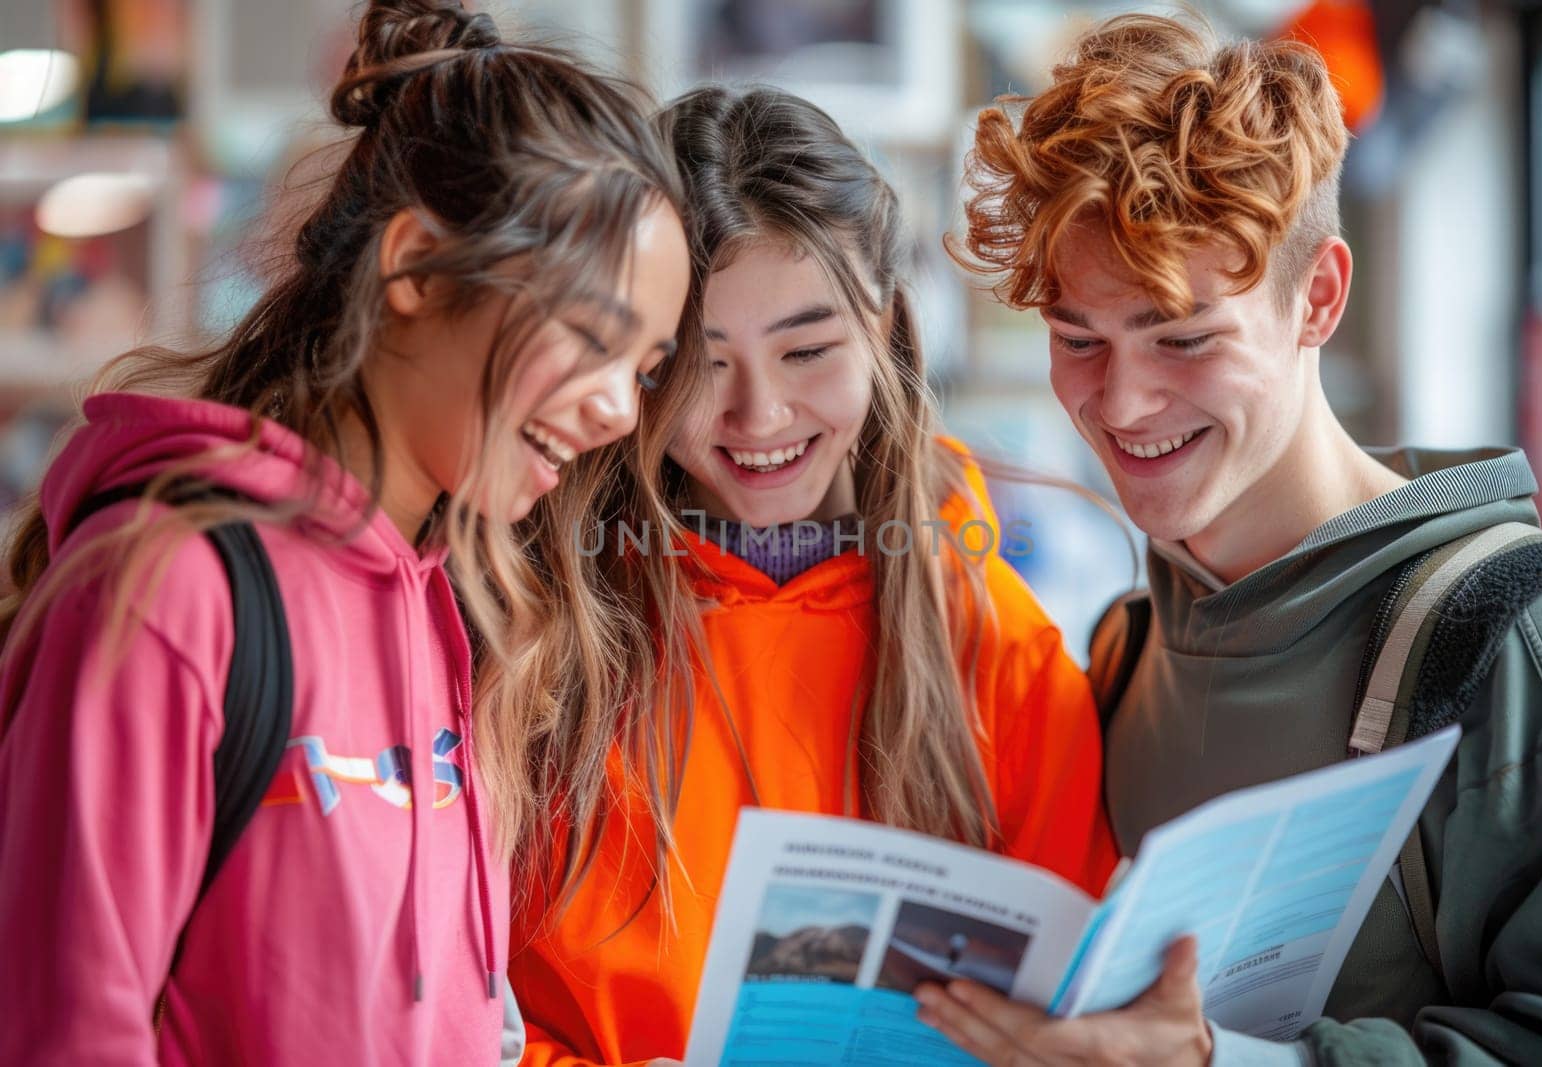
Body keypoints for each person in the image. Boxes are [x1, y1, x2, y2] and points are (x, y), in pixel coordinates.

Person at [0, 2, 690, 1063]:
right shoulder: (171, 591)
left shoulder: (444, 608)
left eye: (644, 370)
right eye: (595, 340)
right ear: (414, 269)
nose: (619, 411)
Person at [914, 12, 1542, 1066]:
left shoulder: (1518, 644)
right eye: (1075, 339)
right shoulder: (1126, 647)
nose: (1123, 401)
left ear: (1317, 296)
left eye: (1183, 337)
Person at [505, 85, 1120, 1065]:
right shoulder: (544, 632)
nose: (758, 414)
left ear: (880, 324)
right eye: (698, 364)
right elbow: (458, 1005)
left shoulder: (992, 643)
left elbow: (1067, 1015)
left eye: (806, 349)